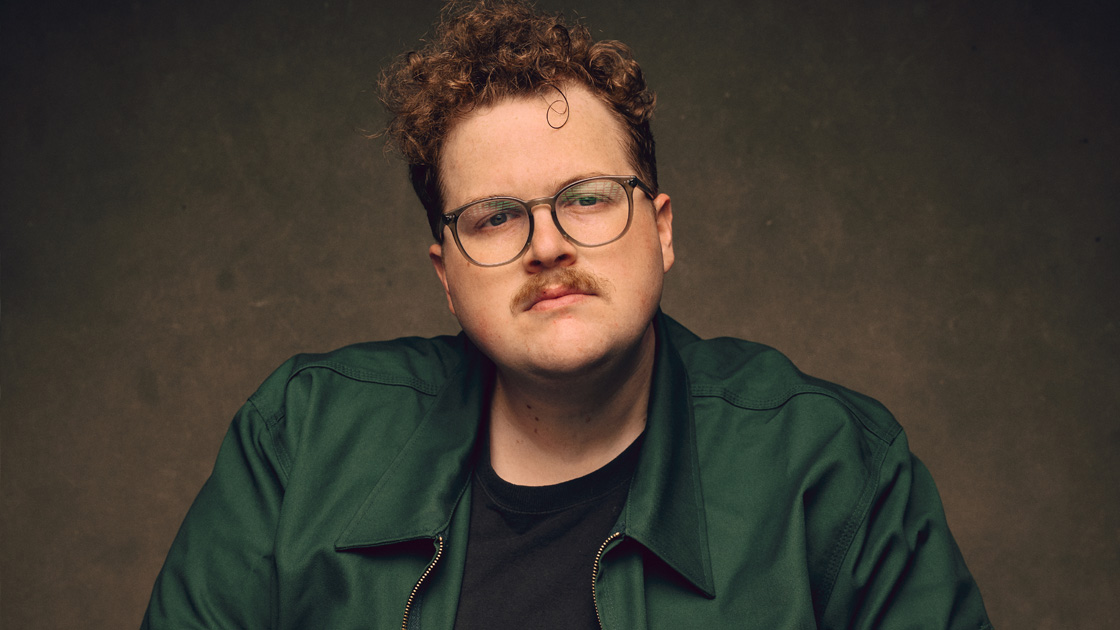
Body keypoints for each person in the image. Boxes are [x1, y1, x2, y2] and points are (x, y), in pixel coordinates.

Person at [141, 1, 992, 628]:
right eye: (495, 216)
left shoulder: (834, 468)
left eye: (586, 199)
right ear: (446, 275)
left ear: (660, 231)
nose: (546, 245)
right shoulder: (303, 437)